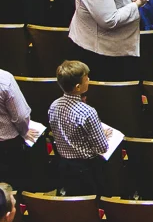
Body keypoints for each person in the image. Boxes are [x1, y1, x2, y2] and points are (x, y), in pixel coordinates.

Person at [48, 60, 114, 194]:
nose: (89, 80)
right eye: (86, 78)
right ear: (78, 87)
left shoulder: (54, 105)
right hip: (86, 169)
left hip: (63, 165)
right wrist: (103, 135)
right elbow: (102, 147)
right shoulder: (88, 112)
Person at [0, 73, 35, 191]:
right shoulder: (4, 80)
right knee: (14, 187)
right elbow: (20, 117)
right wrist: (24, 131)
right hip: (8, 146)